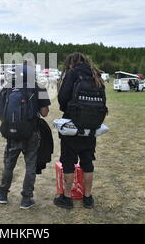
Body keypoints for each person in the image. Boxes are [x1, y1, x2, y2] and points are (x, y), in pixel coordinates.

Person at [0, 63, 51, 209]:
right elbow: (44, 113)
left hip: (12, 133)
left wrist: (5, 122)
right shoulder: (39, 87)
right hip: (32, 133)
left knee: (9, 164)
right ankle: (26, 199)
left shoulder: (8, 86)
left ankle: (3, 194)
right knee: (30, 165)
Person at [53, 52, 105, 210]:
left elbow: (62, 98)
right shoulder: (95, 74)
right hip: (92, 126)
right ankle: (88, 197)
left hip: (73, 124)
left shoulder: (72, 73)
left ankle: (67, 198)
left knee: (68, 162)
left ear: (71, 63)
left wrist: (68, 108)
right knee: (87, 161)